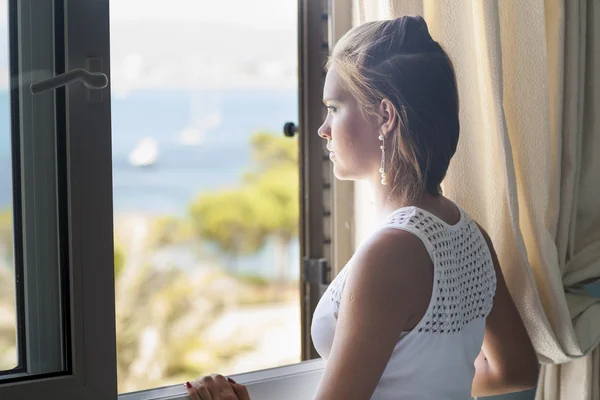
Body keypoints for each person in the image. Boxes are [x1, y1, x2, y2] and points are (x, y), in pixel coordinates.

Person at [185, 15, 539, 400]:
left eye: (334, 108)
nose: (323, 129)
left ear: (385, 117)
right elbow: (516, 369)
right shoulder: (470, 234)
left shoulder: (390, 253)